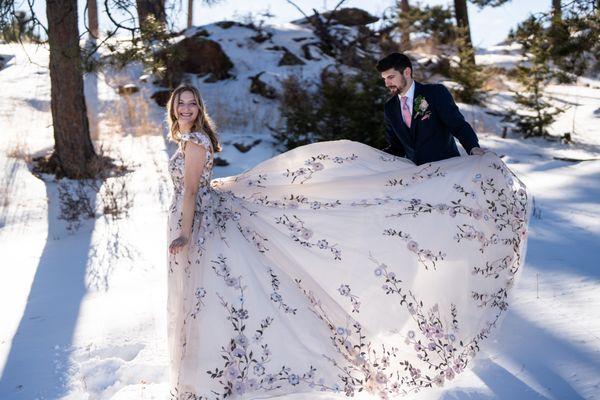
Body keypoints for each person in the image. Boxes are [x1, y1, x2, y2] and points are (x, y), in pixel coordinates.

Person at [166, 84, 530, 399]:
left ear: (199, 109)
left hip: (200, 222)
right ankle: (214, 371)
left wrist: (184, 231)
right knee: (214, 295)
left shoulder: (195, 142)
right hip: (205, 216)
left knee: (212, 293)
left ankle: (211, 376)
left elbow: (190, 193)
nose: (186, 109)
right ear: (173, 108)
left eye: (192, 104)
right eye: (181, 103)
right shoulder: (189, 140)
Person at [377, 52, 486, 165]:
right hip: (416, 176)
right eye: (384, 78)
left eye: (391, 77)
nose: (387, 83)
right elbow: (397, 148)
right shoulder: (390, 108)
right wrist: (372, 157)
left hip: (447, 169)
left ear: (407, 72)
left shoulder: (435, 93)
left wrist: (473, 147)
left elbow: (458, 126)